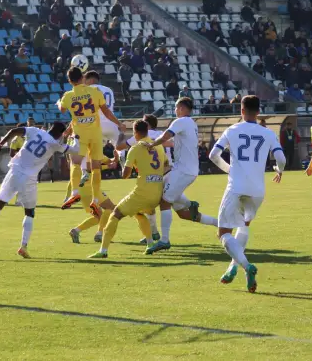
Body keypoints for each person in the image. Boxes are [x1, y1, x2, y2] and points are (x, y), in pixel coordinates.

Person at [208, 95, 286, 292]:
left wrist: (229, 170)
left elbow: (213, 155)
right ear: (258, 111)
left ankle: (246, 266)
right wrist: (278, 169)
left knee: (223, 232)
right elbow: (281, 158)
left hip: (236, 186)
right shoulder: (267, 133)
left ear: (241, 111)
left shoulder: (232, 130)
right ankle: (232, 268)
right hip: (257, 190)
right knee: (243, 225)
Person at [0, 123, 77, 258]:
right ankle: (23, 246)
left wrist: (1, 143)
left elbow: (14, 131)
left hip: (14, 171)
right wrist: (76, 137)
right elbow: (75, 150)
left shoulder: (35, 131)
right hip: (29, 179)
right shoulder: (54, 144)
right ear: (60, 134)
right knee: (29, 212)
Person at [143, 97, 217, 254]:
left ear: (182, 108)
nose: (175, 110)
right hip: (183, 169)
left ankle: (164, 240)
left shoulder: (180, 122)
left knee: (164, 202)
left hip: (183, 170)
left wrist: (151, 145)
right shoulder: (191, 123)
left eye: (176, 108)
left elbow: (165, 136)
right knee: (183, 214)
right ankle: (218, 223)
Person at [88, 120, 168, 258]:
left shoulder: (135, 148)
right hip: (157, 194)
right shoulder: (158, 147)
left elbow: (125, 175)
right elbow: (166, 164)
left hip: (142, 193)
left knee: (116, 214)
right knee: (138, 213)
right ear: (147, 131)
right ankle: (149, 244)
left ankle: (103, 251)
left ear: (135, 133)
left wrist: (120, 160)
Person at [58, 67, 125, 217]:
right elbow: (107, 112)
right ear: (82, 77)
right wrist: (119, 123)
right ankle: (95, 198)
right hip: (96, 133)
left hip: (80, 134)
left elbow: (62, 110)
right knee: (95, 167)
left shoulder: (68, 95)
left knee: (75, 162)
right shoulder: (95, 92)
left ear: (69, 81)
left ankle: (74, 192)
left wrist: (58, 103)